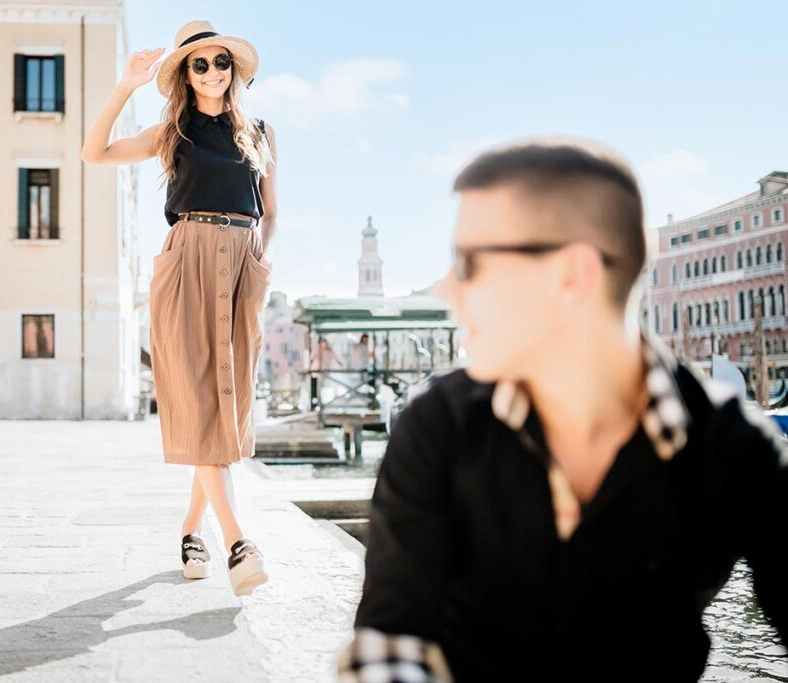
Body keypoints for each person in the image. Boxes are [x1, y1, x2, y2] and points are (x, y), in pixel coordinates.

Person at [337, 138, 786, 681]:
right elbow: (391, 639)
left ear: (572, 274)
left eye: (470, 262)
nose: (448, 289)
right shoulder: (437, 423)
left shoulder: (736, 450)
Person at [81, 20, 277, 597]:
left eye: (221, 63)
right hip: (187, 257)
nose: (213, 72)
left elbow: (271, 210)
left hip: (243, 263)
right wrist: (124, 87)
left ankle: (192, 528)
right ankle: (240, 542)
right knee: (196, 397)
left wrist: (263, 267)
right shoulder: (171, 130)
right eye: (200, 64)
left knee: (224, 404)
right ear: (185, 75)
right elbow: (93, 153)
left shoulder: (261, 131)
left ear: (233, 70)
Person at [309, 337, 344, 409]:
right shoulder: (317, 351)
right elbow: (311, 359)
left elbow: (336, 359)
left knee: (322, 388)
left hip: (323, 373)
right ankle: (314, 403)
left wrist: (341, 366)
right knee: (314, 389)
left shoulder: (329, 352)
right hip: (315, 372)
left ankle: (321, 403)